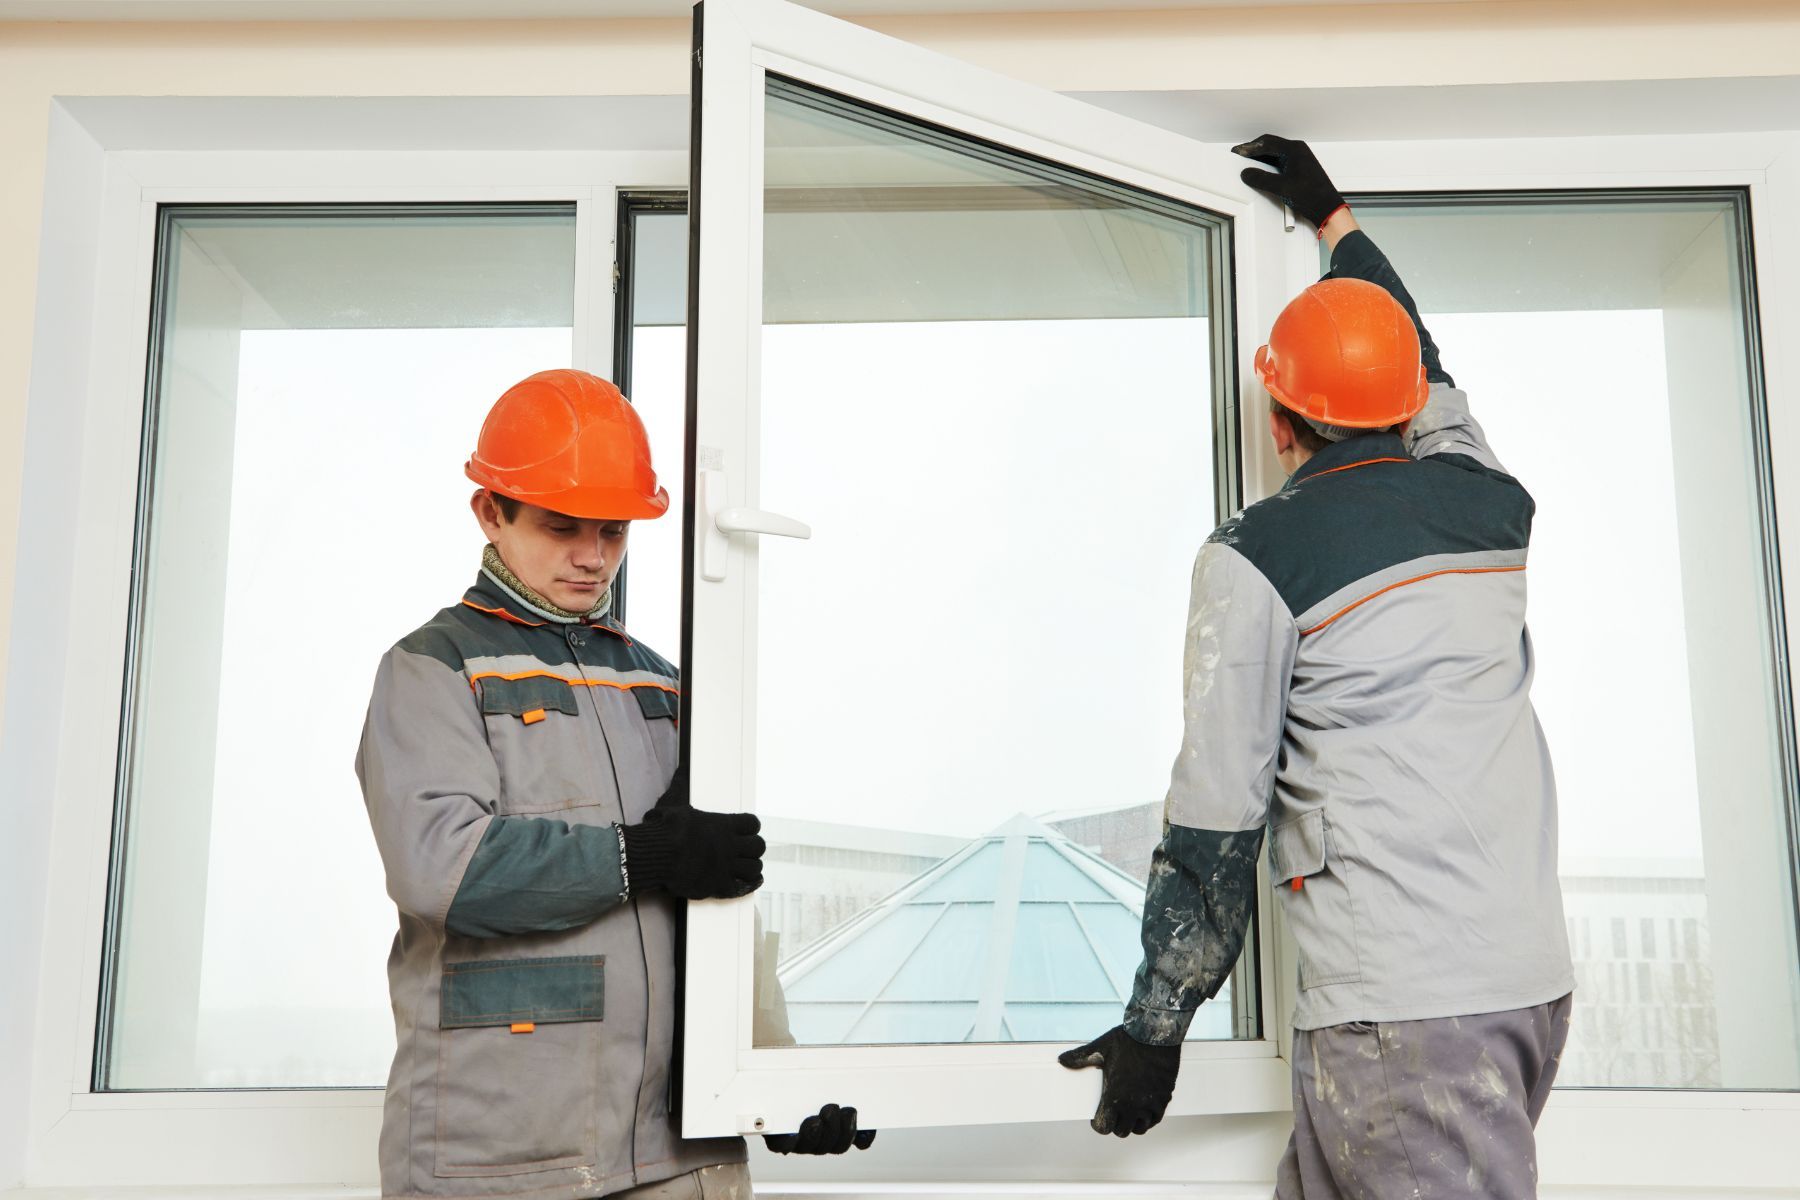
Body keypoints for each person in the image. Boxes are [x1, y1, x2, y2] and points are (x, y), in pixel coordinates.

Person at [1060, 136, 1574, 1198]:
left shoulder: (1259, 555)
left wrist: (1158, 1026)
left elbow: (1217, 814)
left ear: (1278, 417)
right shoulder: (1488, 497)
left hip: (1410, 1015)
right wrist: (1335, 219)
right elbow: (1417, 356)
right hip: (1517, 987)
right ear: (1405, 408)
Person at [358, 368, 871, 1200]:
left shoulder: (663, 689)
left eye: (613, 531)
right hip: (502, 1157)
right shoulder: (432, 670)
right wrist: (643, 857)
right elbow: (441, 869)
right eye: (564, 528)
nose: (594, 557)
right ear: (491, 511)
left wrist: (772, 1085)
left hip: (678, 1157)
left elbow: (721, 898)